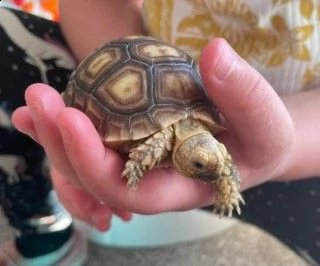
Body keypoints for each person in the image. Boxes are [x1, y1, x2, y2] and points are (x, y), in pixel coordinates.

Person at [2, 0, 320, 264]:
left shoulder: (213, 149)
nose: (210, 169)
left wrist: (284, 151)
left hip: (307, 145)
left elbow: (220, 163)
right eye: (200, 165)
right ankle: (42, 228)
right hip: (121, 49)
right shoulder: (166, 139)